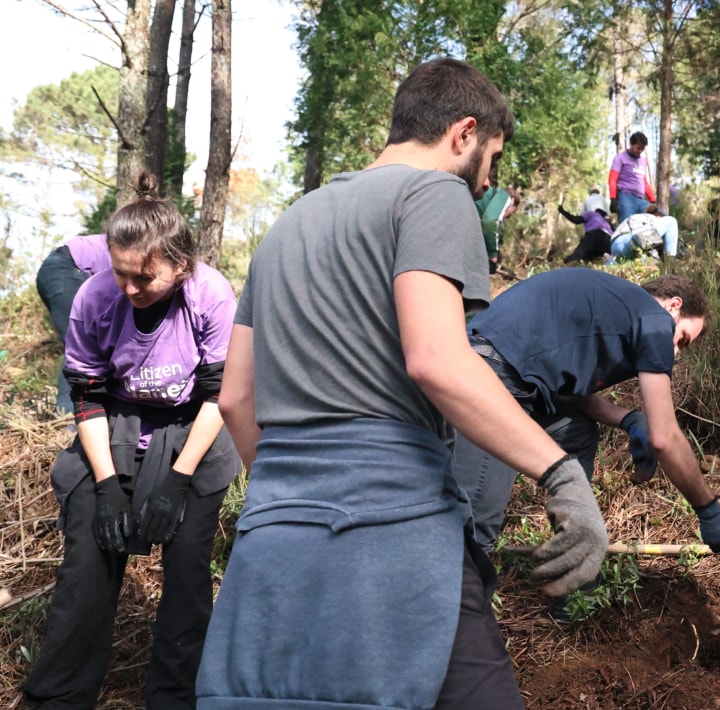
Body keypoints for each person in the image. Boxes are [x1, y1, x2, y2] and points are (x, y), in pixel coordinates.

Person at [195, 58, 608, 709]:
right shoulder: (434, 194)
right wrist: (558, 472)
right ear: (464, 133)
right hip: (394, 532)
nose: (488, 183)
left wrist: (304, 495)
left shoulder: (288, 224)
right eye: (493, 160)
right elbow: (438, 362)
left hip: (275, 541)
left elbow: (236, 398)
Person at [23, 172, 240, 709]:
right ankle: (59, 700)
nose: (129, 289)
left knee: (188, 574)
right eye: (120, 273)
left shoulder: (210, 296)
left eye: (143, 278)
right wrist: (108, 487)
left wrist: (177, 480)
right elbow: (89, 398)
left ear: (180, 266)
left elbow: (219, 398)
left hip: (193, 427)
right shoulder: (96, 297)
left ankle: (174, 699)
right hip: (114, 422)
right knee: (86, 574)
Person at [451, 270, 720, 557]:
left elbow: (569, 394)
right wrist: (708, 509)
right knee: (473, 535)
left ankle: (574, 559)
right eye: (683, 339)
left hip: (500, 372)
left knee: (576, 432)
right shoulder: (654, 320)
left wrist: (628, 419)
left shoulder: (614, 308)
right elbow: (665, 438)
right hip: (491, 377)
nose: (675, 352)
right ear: (673, 306)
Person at [35, 233, 113, 414]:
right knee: (79, 343)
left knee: (87, 340)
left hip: (56, 269)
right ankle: (69, 415)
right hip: (66, 268)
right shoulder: (138, 244)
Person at [609, 131, 656, 222]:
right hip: (625, 197)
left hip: (640, 199)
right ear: (631, 143)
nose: (640, 151)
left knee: (660, 217)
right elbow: (613, 178)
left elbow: (644, 181)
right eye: (638, 148)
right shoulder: (620, 158)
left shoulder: (643, 161)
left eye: (642, 149)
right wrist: (613, 198)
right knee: (626, 226)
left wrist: (652, 199)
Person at [608, 206, 680, 261]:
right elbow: (637, 231)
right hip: (626, 239)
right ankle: (671, 262)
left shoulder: (635, 217)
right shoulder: (649, 217)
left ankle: (609, 262)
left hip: (616, 250)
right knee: (671, 221)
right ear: (659, 216)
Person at [476, 176, 516, 274]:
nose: (508, 216)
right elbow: (489, 222)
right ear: (513, 201)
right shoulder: (504, 197)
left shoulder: (485, 204)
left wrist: (498, 266)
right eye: (513, 211)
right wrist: (493, 255)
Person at [558, 199, 614, 264]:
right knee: (595, 258)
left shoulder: (592, 214)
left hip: (595, 235)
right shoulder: (606, 222)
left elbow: (576, 220)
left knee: (575, 258)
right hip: (608, 242)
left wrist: (563, 212)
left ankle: (567, 263)